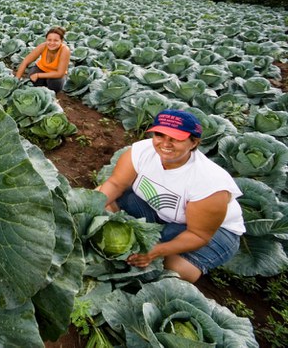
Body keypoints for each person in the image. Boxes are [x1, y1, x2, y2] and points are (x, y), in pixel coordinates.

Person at [97, 109, 245, 283]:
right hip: (161, 212)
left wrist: (155, 251)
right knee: (101, 197)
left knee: (174, 268)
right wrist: (89, 209)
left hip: (213, 232)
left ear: (194, 143)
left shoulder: (209, 183)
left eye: (176, 138)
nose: (166, 143)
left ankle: (174, 252)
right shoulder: (141, 152)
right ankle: (156, 236)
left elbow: (198, 235)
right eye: (159, 135)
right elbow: (116, 184)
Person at [15, 26, 71, 93]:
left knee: (56, 84)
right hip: (41, 69)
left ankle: (50, 92)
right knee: (32, 81)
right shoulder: (43, 46)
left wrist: (38, 75)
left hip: (55, 74)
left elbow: (60, 73)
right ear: (46, 39)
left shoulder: (65, 50)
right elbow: (26, 61)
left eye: (56, 40)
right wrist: (16, 80)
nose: (52, 43)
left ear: (61, 41)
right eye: (49, 40)